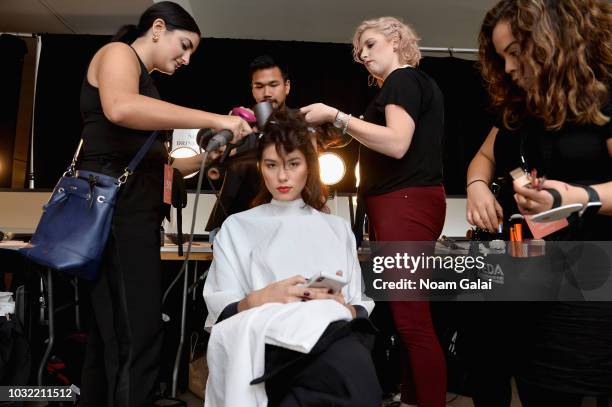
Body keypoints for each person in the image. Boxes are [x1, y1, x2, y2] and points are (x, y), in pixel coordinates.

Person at [76, 3, 251, 406]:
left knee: (111, 339)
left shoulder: (145, 81)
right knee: (137, 335)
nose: (186, 59)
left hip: (131, 211)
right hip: (118, 213)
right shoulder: (119, 54)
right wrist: (213, 119)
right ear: (158, 28)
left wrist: (206, 157)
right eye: (184, 45)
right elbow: (119, 108)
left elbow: (152, 156)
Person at [467, 0, 612, 405]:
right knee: (536, 387)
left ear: (551, 38)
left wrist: (576, 197)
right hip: (529, 273)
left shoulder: (604, 94)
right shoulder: (520, 105)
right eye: (502, 58)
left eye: (514, 52)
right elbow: (483, 157)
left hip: (592, 277)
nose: (509, 68)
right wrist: (477, 184)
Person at [301, 16, 447, 407]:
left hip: (405, 202)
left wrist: (336, 116)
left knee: (412, 321)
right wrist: (342, 129)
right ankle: (413, 399)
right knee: (406, 318)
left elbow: (397, 143)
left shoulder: (402, 80)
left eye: (370, 44)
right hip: (405, 202)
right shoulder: (412, 86)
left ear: (396, 39)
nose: (362, 55)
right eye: (359, 50)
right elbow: (383, 140)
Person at [203, 108, 381, 407]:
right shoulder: (237, 227)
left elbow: (357, 302)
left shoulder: (336, 228)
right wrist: (264, 296)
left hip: (330, 332)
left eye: (293, 164)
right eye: (271, 165)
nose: (282, 176)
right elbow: (222, 306)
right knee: (341, 373)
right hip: (269, 339)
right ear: (260, 166)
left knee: (352, 368)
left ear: (309, 167)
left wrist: (345, 308)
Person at [206, 55, 292, 231]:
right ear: (252, 89)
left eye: (273, 85)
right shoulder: (240, 122)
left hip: (283, 223)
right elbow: (206, 139)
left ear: (287, 86)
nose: (266, 93)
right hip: (231, 221)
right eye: (259, 86)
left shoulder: (299, 125)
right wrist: (227, 129)